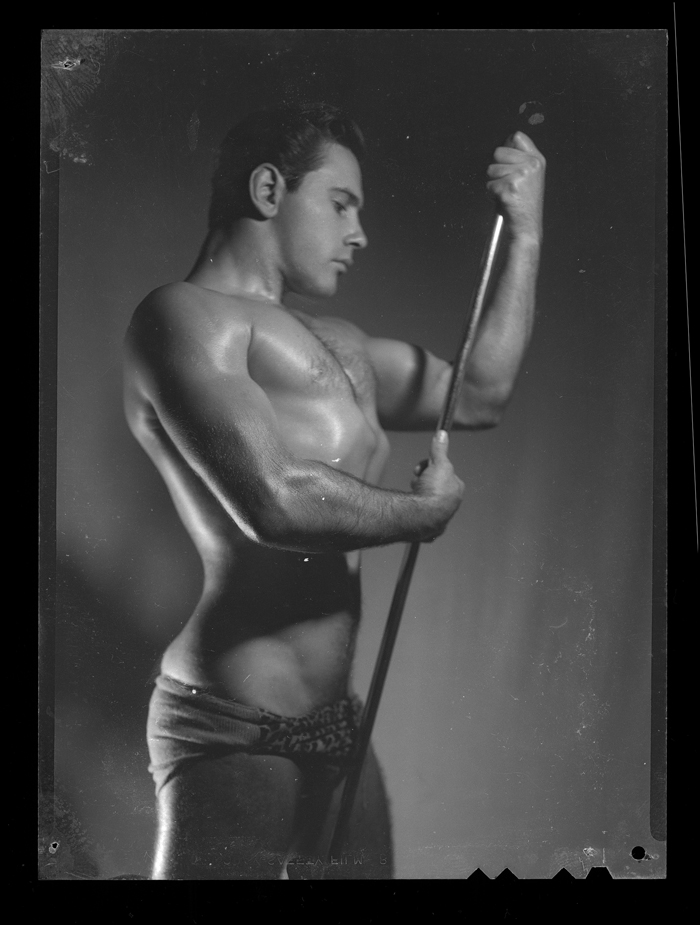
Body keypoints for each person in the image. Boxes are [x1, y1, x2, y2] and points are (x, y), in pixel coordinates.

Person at [123, 103, 545, 880]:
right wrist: (422, 513)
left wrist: (525, 231)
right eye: (341, 204)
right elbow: (273, 500)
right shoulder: (182, 318)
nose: (360, 234)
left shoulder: (341, 344)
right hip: (236, 722)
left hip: (339, 721)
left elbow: (482, 392)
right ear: (268, 189)